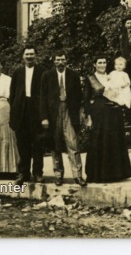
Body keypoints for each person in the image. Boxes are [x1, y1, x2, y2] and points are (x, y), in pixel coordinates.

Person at [85, 55, 131, 183]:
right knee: (99, 141)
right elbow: (86, 99)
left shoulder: (113, 76)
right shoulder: (90, 78)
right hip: (98, 114)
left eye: (104, 62)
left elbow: (123, 91)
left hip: (113, 114)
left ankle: (116, 174)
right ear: (95, 65)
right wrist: (88, 117)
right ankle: (97, 174)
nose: (102, 64)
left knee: (113, 141)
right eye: (99, 62)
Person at [41, 50, 85, 187]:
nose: (60, 62)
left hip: (69, 111)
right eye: (58, 59)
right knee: (55, 144)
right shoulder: (47, 76)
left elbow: (79, 97)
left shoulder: (73, 75)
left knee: (73, 143)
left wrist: (80, 114)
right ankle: (58, 174)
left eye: (62, 59)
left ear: (66, 61)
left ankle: (78, 175)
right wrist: (44, 118)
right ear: (53, 61)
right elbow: (42, 98)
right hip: (54, 113)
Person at [9, 46, 45, 184]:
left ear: (35, 56)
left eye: (31, 54)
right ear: (23, 56)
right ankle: (23, 173)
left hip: (36, 111)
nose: (29, 57)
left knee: (37, 144)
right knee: (22, 144)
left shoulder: (42, 72)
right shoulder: (17, 72)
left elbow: (45, 94)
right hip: (21, 111)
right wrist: (14, 113)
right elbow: (12, 95)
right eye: (27, 54)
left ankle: (38, 173)